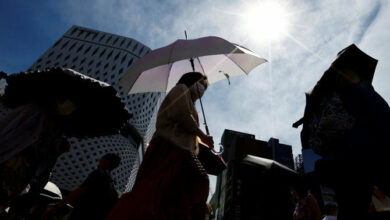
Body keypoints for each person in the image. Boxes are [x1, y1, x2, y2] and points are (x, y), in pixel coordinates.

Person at [106, 72, 214, 220]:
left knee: (167, 195)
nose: (202, 88)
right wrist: (203, 136)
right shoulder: (181, 89)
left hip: (179, 152)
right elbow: (182, 115)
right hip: (168, 148)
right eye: (201, 83)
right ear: (192, 81)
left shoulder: (192, 104)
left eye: (205, 87)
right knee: (156, 191)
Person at [304, 44, 390, 220]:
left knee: (351, 210)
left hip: (345, 165)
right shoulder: (364, 92)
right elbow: (384, 119)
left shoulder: (330, 98)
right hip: (368, 158)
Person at [0, 98, 76, 213]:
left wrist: (56, 149)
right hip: (11, 162)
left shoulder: (57, 129)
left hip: (24, 171)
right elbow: (9, 130)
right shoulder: (32, 112)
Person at [43, 153, 121, 220]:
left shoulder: (99, 174)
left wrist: (58, 206)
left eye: (101, 159)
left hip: (83, 212)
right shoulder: (111, 181)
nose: (99, 162)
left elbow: (80, 191)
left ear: (106, 161)